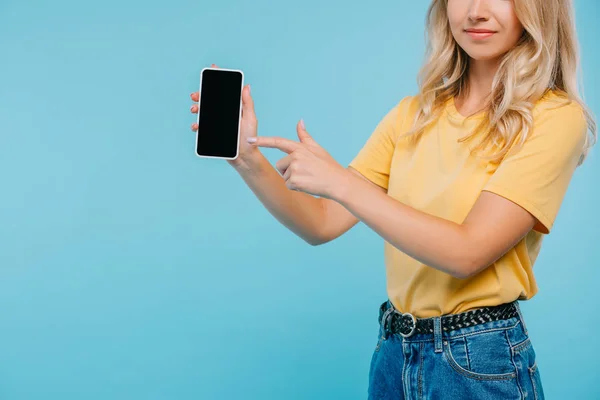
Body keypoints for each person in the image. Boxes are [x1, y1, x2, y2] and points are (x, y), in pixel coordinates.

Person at [189, 0, 596, 398]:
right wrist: (246, 158)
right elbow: (322, 222)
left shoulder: (555, 118)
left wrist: (342, 183)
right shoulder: (413, 114)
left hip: (479, 363)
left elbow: (468, 252)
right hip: (394, 353)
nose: (476, 10)